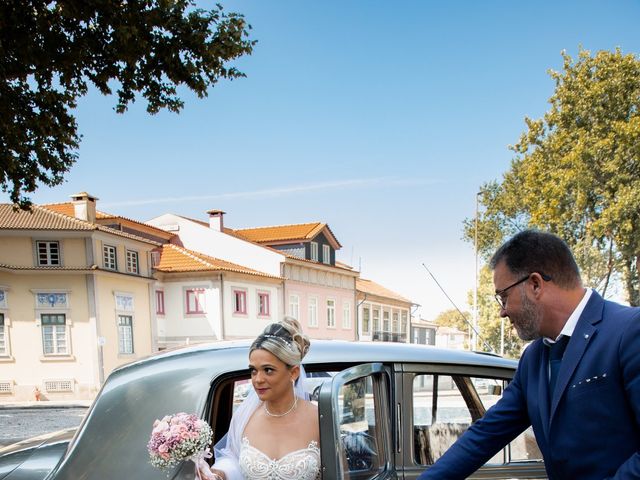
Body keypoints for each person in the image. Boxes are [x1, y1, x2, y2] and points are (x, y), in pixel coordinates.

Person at [418, 230, 640, 480]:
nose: (502, 312)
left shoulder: (629, 330)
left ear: (535, 284)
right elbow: (486, 434)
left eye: (503, 296)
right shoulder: (532, 359)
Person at [198, 317, 320, 480]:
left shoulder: (319, 418)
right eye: (254, 371)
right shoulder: (245, 416)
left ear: (293, 372)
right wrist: (220, 474)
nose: (257, 379)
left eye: (268, 370)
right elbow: (232, 458)